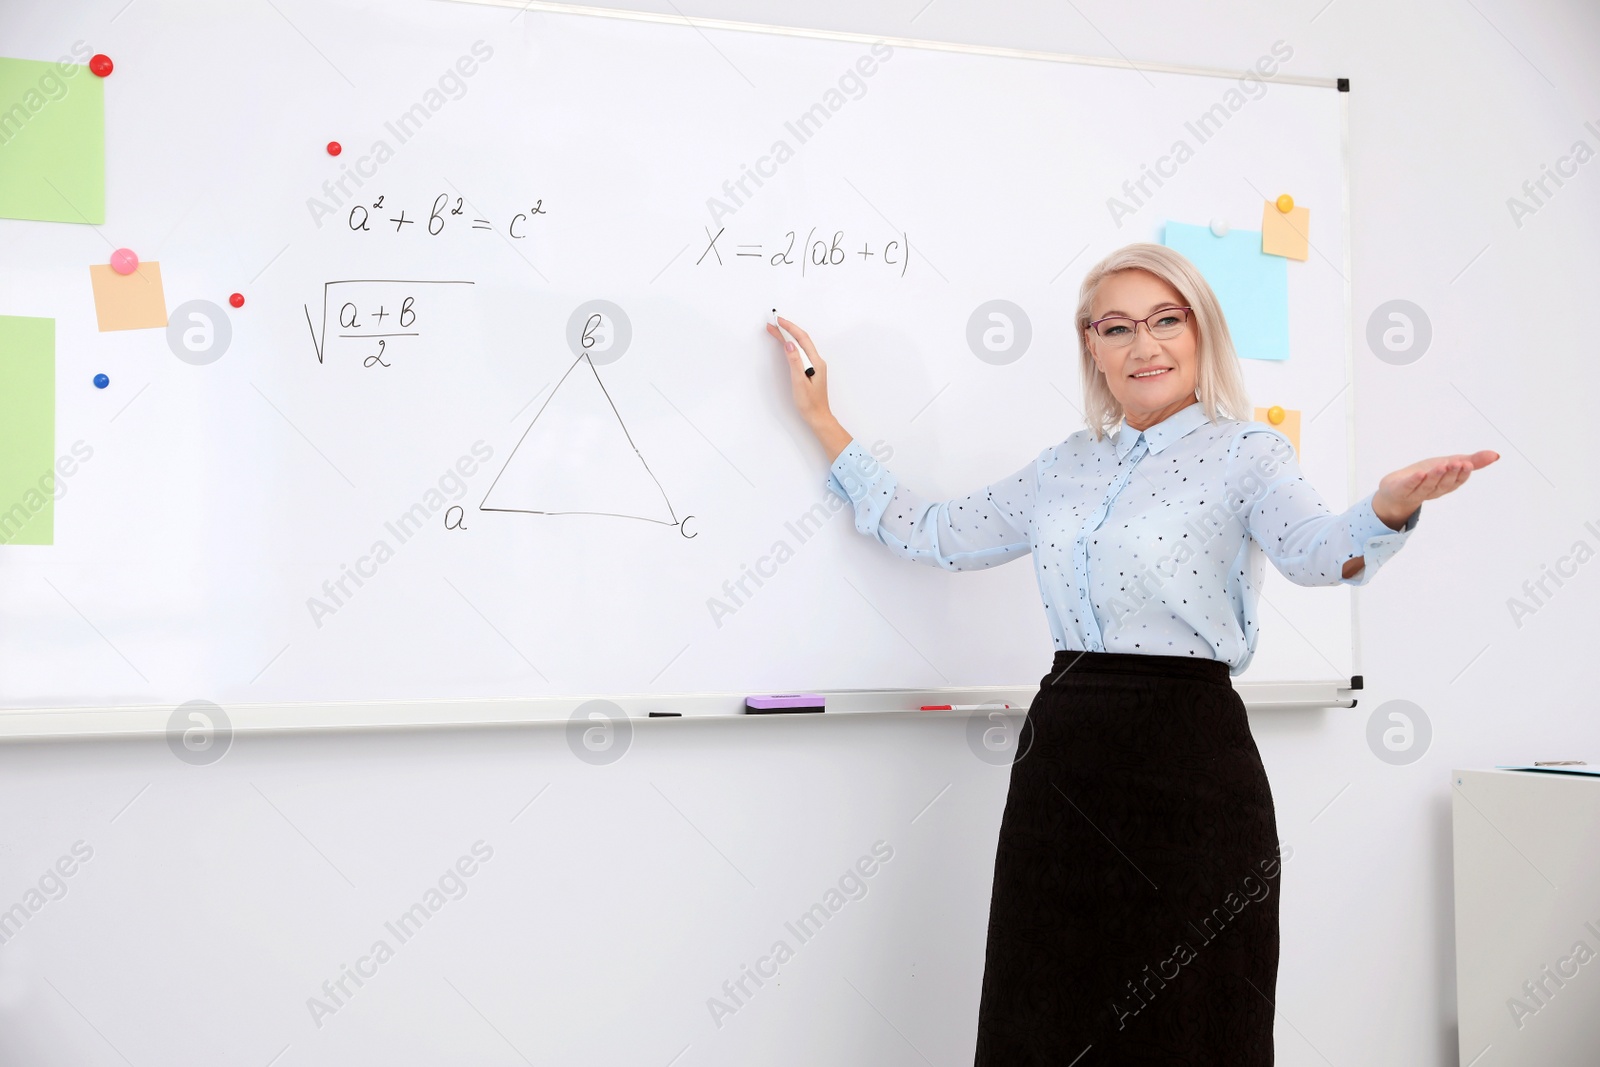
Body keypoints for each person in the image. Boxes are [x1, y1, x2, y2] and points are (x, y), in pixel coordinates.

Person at [765, 242, 1497, 1066]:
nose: (1143, 345)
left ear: (1200, 332)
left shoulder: (1247, 455)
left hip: (1191, 763)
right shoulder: (1066, 466)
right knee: (1045, 1003)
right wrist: (824, 420)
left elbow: (1318, 552)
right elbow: (933, 532)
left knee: (1190, 1014)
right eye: (1117, 327)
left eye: (1164, 321)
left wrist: (1388, 510)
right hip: (1065, 761)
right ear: (1092, 346)